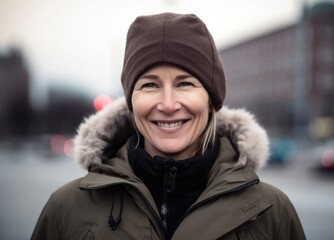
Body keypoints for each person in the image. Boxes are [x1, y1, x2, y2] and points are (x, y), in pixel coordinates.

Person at [31, 12, 306, 239]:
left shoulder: (272, 213)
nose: (168, 103)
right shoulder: (65, 210)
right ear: (130, 101)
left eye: (185, 83)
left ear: (211, 99)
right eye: (150, 84)